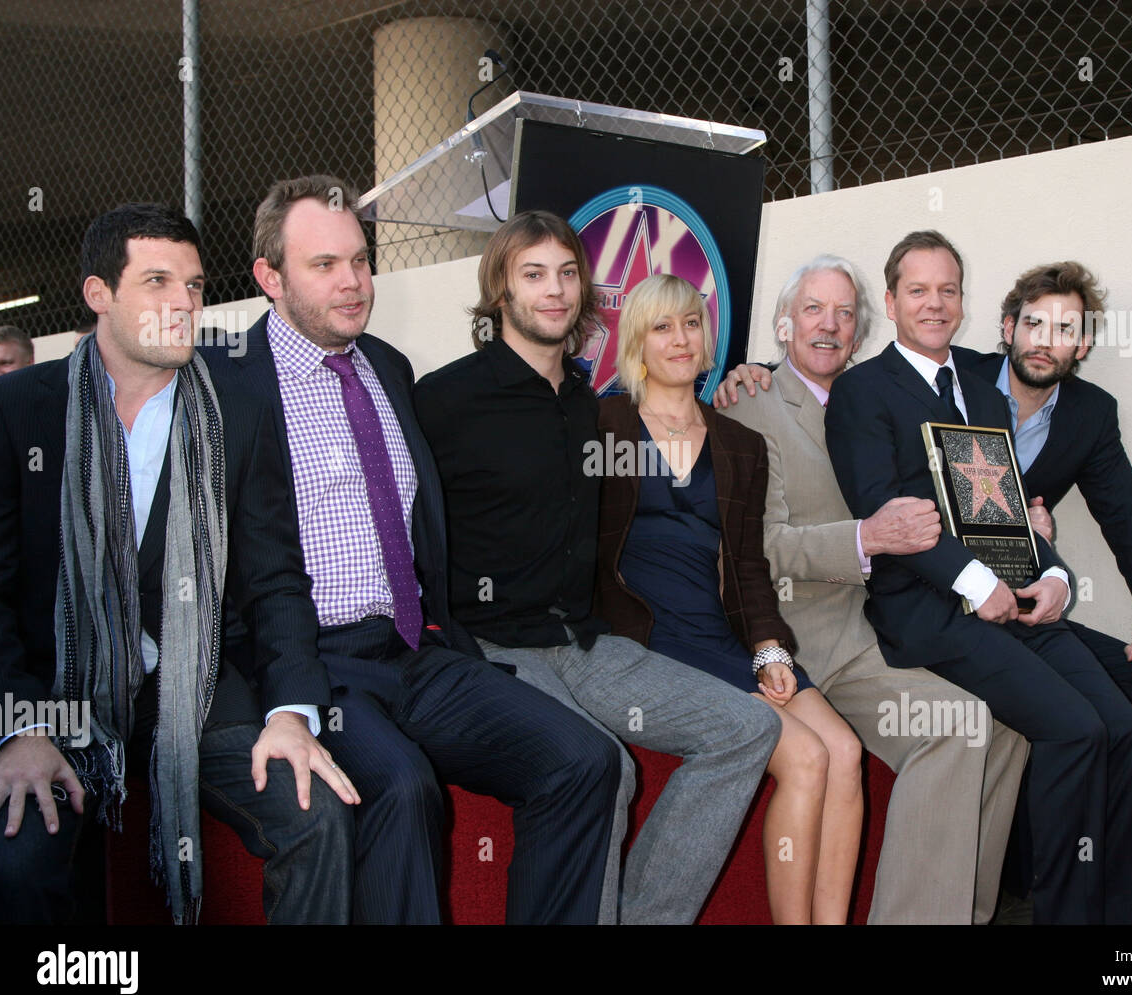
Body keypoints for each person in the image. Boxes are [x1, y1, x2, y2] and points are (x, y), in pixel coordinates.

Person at [202, 177, 619, 925]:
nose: (353, 282)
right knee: (401, 785)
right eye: (324, 265)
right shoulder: (228, 387)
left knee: (584, 762)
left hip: (412, 651)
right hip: (312, 664)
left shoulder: (388, 368)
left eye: (360, 261)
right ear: (270, 278)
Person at [0, 204, 355, 924]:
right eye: (157, 282)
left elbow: (276, 576)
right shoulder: (16, 411)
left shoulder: (238, 407)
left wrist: (291, 713)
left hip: (198, 683)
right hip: (55, 688)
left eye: (192, 284)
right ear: (99, 295)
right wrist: (21, 724)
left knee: (318, 819)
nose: (184, 303)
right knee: (18, 857)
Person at [414, 210, 780, 925]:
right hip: (491, 646)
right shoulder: (443, 398)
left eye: (567, 273)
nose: (554, 290)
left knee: (747, 729)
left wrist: (751, 371)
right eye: (533, 274)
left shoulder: (590, 405)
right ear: (500, 292)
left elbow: (678, 412)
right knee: (600, 765)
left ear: (585, 291)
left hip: (585, 642)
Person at [823, 229, 1132, 924]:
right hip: (929, 609)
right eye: (918, 291)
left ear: (963, 302)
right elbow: (883, 512)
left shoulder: (982, 391)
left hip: (1013, 596)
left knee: (1122, 725)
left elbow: (1013, 512)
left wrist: (1055, 578)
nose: (935, 304)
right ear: (892, 300)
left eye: (947, 290)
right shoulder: (863, 392)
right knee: (1072, 729)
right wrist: (975, 582)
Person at [715, 254, 1029, 924]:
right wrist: (866, 539)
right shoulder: (752, 405)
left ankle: (964, 914)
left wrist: (1025, 518)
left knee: (1012, 722)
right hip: (815, 636)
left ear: (861, 330)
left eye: (844, 312)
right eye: (813, 309)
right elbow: (756, 547)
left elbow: (954, 457)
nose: (829, 325)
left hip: (898, 617)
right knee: (960, 727)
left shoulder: (877, 392)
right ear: (784, 324)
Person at [593, 273, 862, 924]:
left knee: (844, 753)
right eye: (661, 326)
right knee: (803, 756)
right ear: (637, 341)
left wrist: (770, 646)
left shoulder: (739, 442)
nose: (679, 339)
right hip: (647, 634)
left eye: (690, 323)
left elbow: (746, 564)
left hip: (728, 632)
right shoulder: (604, 421)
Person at [951, 261, 1132, 924]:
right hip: (950, 603)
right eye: (1033, 322)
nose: (1045, 338)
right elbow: (858, 388)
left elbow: (1127, 518)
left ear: (1083, 345)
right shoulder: (951, 376)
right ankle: (1031, 889)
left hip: (1032, 606)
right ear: (1007, 328)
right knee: (1084, 716)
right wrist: (763, 375)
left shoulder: (1091, 414)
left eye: (1064, 328)